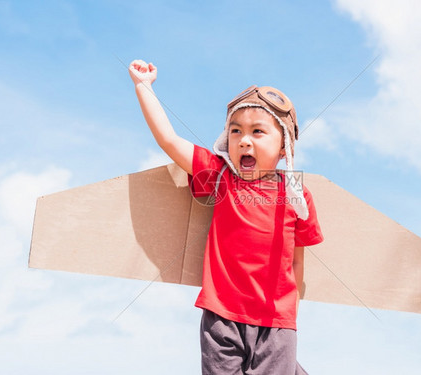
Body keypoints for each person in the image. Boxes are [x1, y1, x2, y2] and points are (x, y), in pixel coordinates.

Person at [129, 59, 324, 375]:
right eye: (236, 131)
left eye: (257, 131)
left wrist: (290, 313)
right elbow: (168, 140)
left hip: (276, 322)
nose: (244, 140)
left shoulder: (296, 195)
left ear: (285, 148)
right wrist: (143, 87)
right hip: (222, 316)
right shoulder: (220, 175)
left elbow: (297, 262)